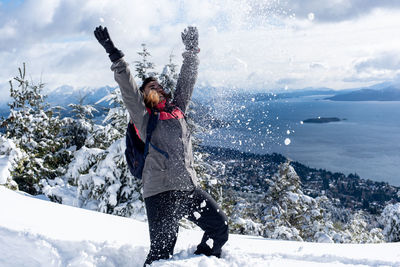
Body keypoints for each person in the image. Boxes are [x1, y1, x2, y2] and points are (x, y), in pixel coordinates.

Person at [94, 25, 229, 266]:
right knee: (161, 254)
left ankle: (201, 261)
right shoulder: (145, 118)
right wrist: (115, 55)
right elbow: (128, 90)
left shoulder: (178, 109)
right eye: (149, 88)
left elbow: (187, 81)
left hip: (187, 188)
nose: (155, 87)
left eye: (157, 85)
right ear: (145, 96)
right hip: (160, 194)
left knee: (219, 229)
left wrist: (191, 51)